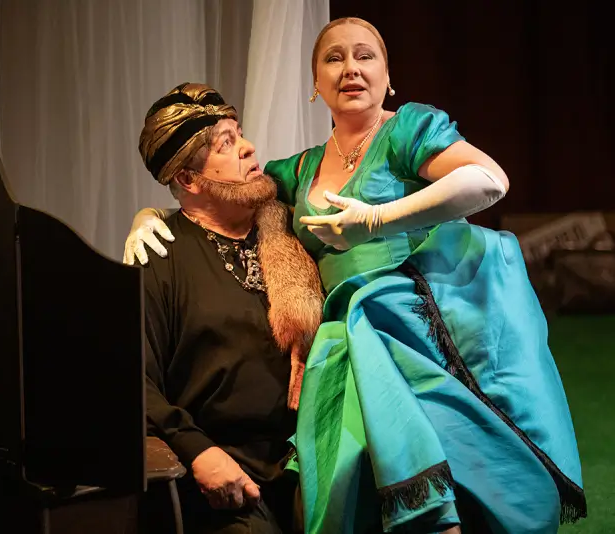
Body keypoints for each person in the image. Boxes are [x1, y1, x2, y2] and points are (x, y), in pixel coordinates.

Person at [125, 18, 586, 534]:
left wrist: (377, 219)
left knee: (448, 498)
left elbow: (488, 179)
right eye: (334, 58)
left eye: (365, 56)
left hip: (415, 336)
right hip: (345, 357)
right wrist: (150, 216)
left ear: (389, 75)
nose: (351, 69)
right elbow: (218, 197)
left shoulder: (404, 133)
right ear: (315, 84)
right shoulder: (296, 173)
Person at [135, 82, 324, 534]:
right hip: (222, 480)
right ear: (187, 179)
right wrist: (198, 451)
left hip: (309, 463)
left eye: (240, 133)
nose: (248, 147)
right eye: (226, 143)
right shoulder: (160, 257)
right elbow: (133, 381)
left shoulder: (291, 228)